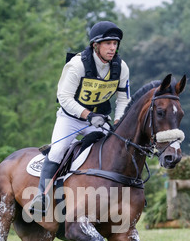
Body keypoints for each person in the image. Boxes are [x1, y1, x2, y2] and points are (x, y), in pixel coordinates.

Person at [29, 20, 131, 215]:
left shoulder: (121, 67)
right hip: (71, 119)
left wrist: (118, 121)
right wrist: (88, 115)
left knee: (116, 150)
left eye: (115, 43)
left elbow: (124, 99)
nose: (112, 48)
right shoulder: (77, 65)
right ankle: (42, 196)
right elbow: (64, 98)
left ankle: (121, 196)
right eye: (108, 43)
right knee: (58, 150)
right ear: (96, 45)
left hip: (100, 120)